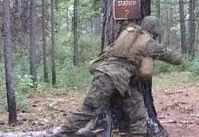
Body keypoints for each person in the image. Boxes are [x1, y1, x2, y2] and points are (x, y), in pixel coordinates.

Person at [52, 16, 183, 137]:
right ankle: (61, 132)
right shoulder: (149, 43)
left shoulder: (128, 33)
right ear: (155, 30)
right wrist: (182, 58)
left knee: (138, 111)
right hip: (114, 78)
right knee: (90, 109)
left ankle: (64, 131)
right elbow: (174, 58)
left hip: (117, 78)